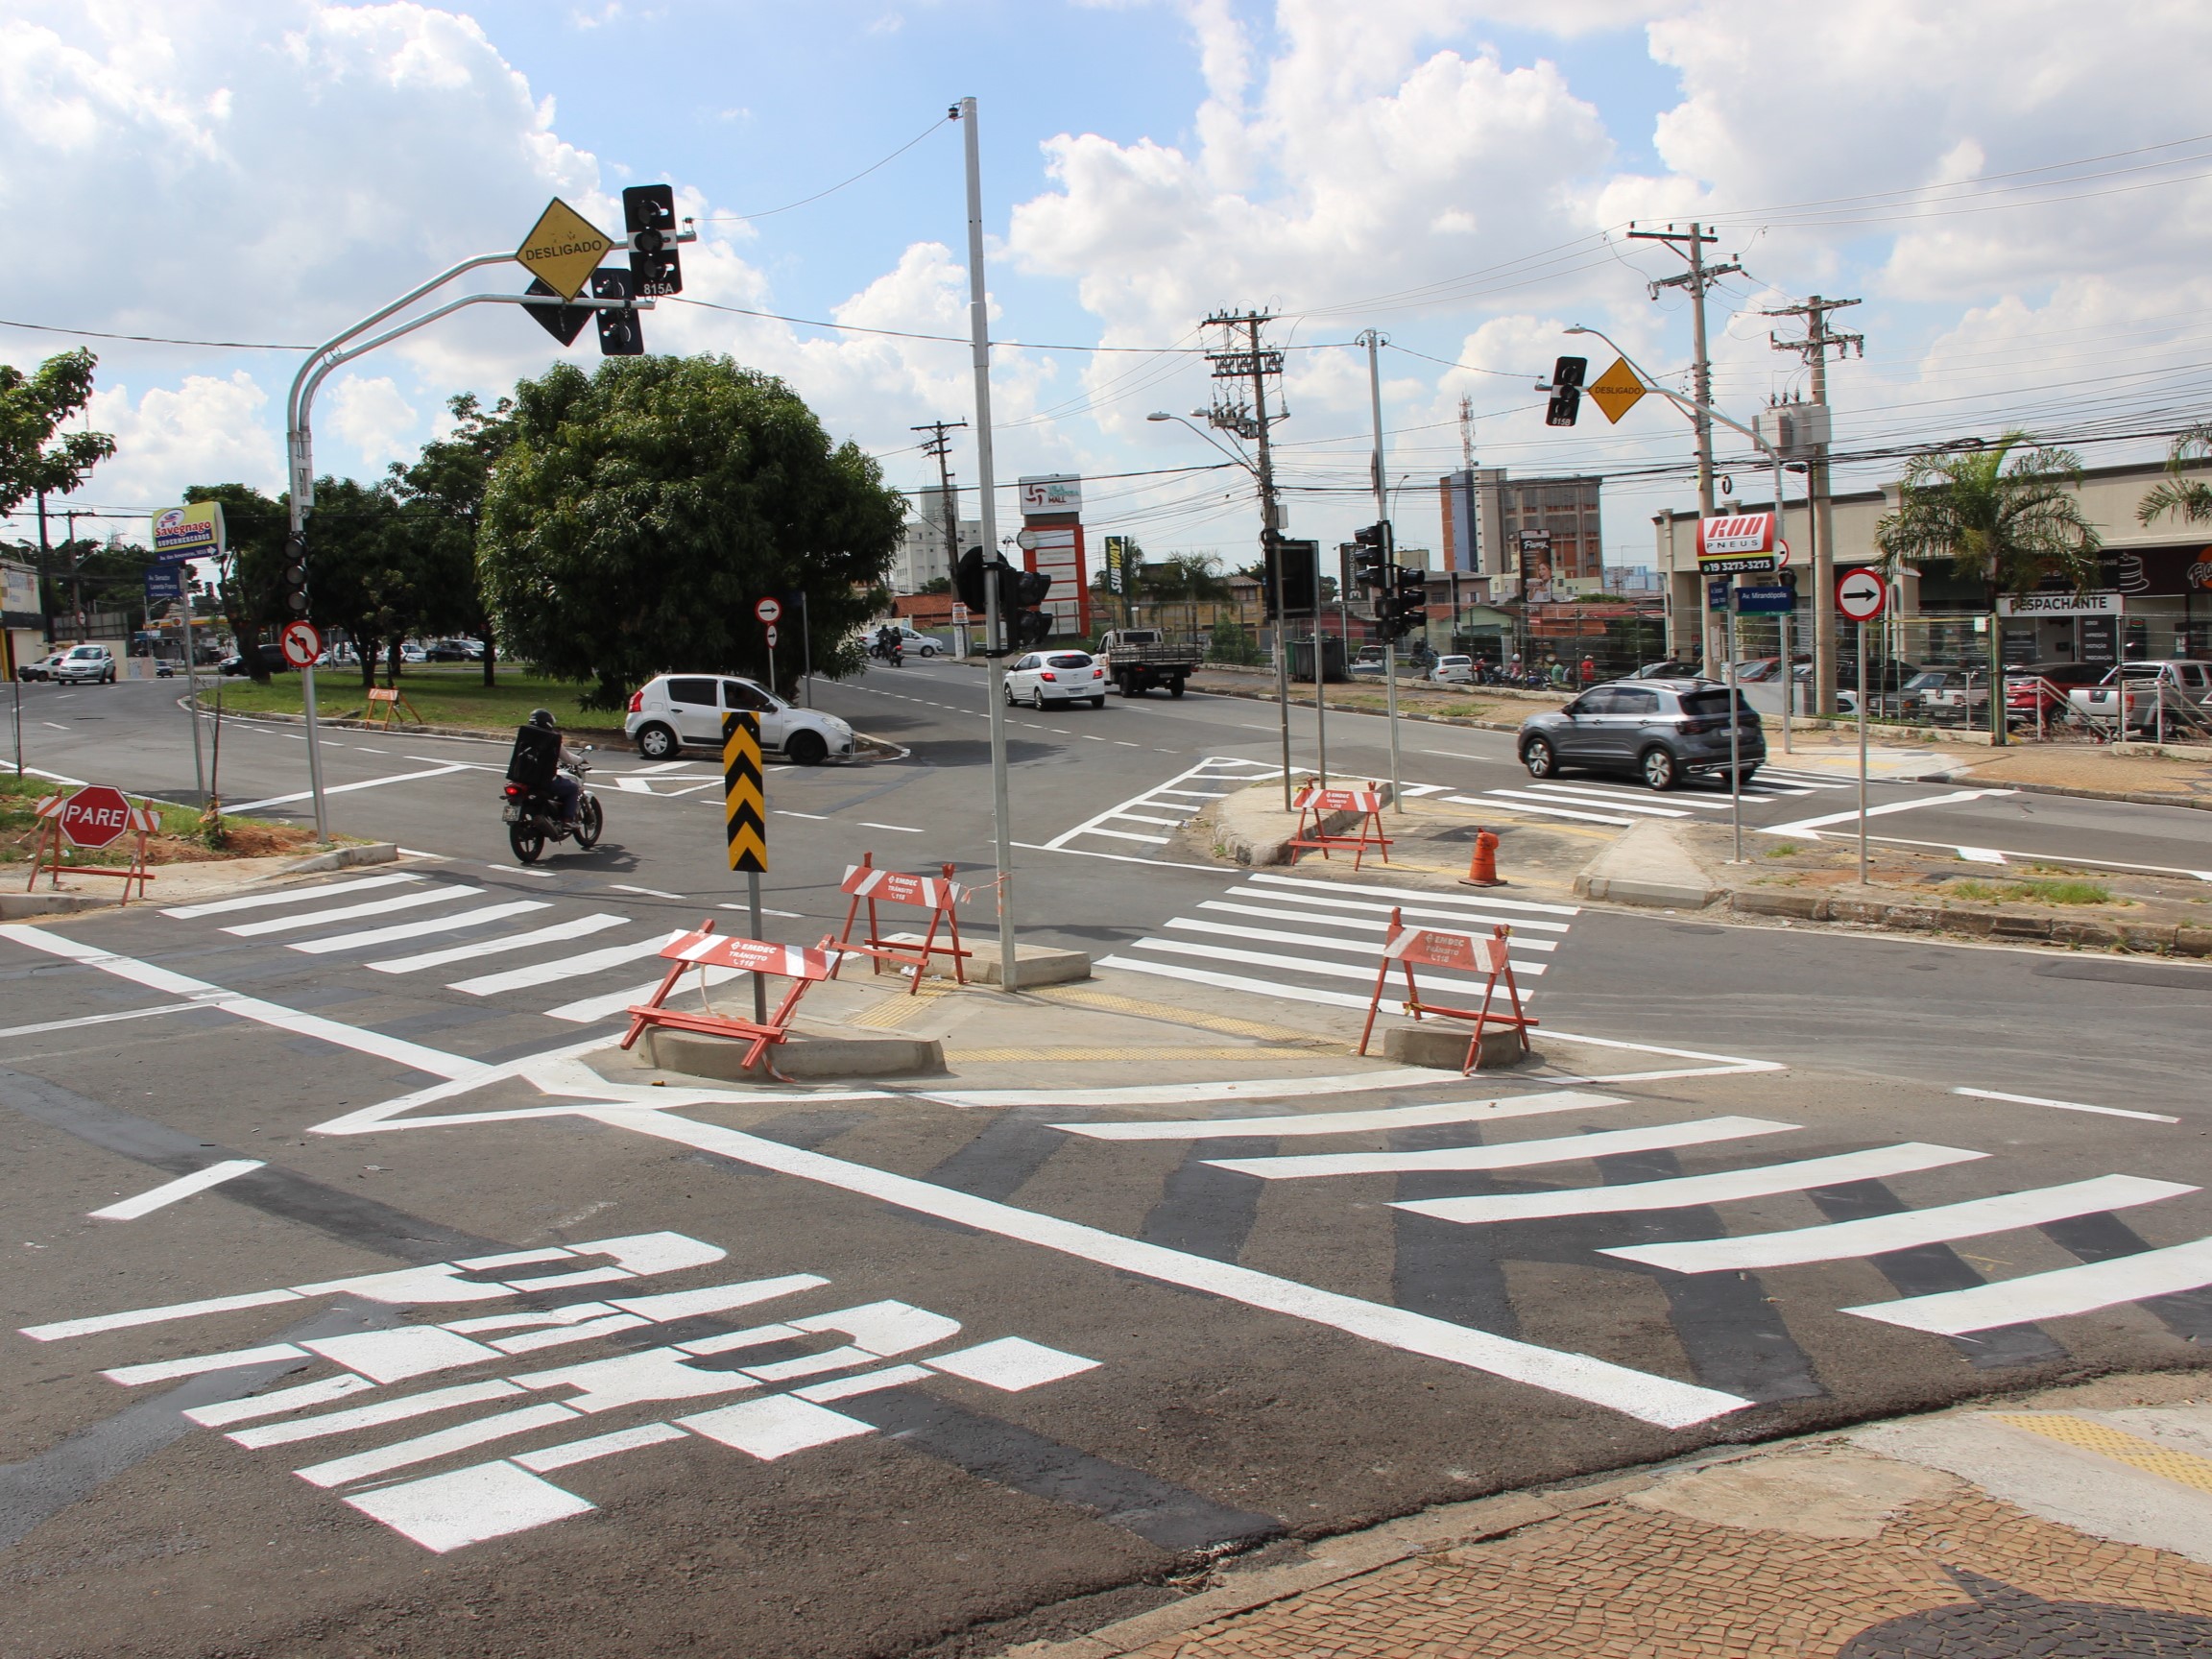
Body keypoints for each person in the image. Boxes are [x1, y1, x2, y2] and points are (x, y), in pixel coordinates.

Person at [524, 708, 585, 825]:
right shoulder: (552, 738)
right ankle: (567, 820)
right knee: (573, 788)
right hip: (545, 781)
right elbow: (567, 758)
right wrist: (581, 759)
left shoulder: (524, 736)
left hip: (523, 779)